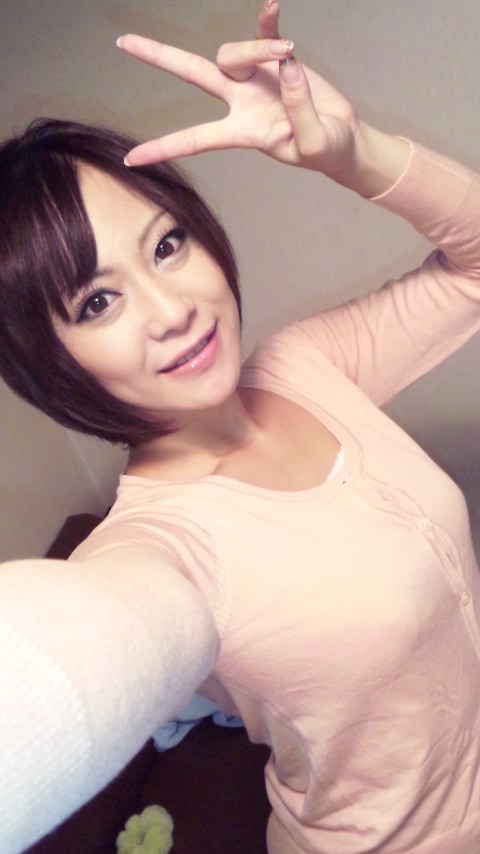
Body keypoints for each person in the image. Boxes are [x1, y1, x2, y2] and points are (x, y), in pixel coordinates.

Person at [1, 2, 480, 852]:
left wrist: (356, 154)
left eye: (167, 245)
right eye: (98, 301)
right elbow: (73, 654)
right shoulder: (156, 549)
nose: (173, 310)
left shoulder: (305, 364)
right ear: (48, 358)